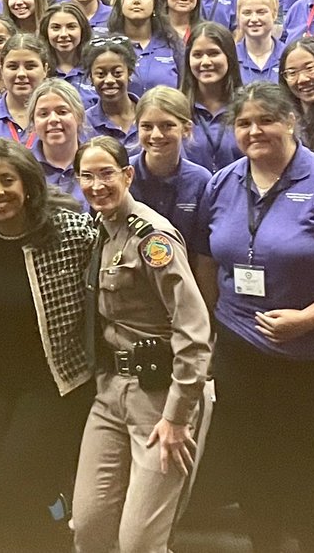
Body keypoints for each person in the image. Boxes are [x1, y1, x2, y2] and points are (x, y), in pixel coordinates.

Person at [198, 82, 314, 553]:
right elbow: (207, 258)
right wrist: (211, 326)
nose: (254, 130)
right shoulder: (223, 182)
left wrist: (309, 319)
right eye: (244, 123)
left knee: (311, 467)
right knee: (253, 461)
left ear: (291, 122)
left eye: (266, 120)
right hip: (242, 351)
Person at [0, 138, 97, 552]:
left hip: (55, 380)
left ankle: (55, 531)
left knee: (19, 476)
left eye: (7, 180)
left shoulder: (70, 232)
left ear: (28, 184)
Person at [71, 135, 212, 553]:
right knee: (89, 527)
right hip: (110, 390)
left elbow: (194, 329)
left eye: (106, 174)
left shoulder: (152, 238)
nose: (97, 185)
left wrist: (178, 415)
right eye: (87, 176)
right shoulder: (101, 228)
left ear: (127, 175)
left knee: (139, 543)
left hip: (161, 396)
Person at [129, 86, 212, 258]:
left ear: (186, 129)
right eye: (147, 126)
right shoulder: (123, 176)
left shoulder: (200, 181)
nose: (156, 135)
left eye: (167, 126)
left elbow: (203, 254)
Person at [181, 22, 243, 172]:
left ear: (229, 56)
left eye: (214, 53)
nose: (205, 62)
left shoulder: (247, 106)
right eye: (197, 55)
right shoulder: (177, 109)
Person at [106, 0, 181, 96]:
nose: (136, 0)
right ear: (121, 5)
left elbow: (186, 87)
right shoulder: (108, 46)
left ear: (155, 6)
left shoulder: (172, 44)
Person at [26, 77, 87, 203]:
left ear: (79, 116)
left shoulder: (95, 162)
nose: (53, 119)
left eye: (62, 112)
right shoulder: (23, 166)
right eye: (43, 114)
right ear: (33, 122)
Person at [0, 33, 50, 145]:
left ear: (45, 69)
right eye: (13, 67)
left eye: (30, 66)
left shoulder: (58, 116)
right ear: (2, 70)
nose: (21, 74)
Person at [83, 35, 141, 153]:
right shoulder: (84, 124)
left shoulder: (148, 114)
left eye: (117, 73)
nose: (109, 80)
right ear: (91, 78)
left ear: (129, 73)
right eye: (100, 74)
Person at [234, 0, 284, 84]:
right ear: (238, 16)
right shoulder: (230, 56)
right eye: (247, 13)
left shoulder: (287, 55)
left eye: (261, 12)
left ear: (274, 14)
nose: (254, 19)